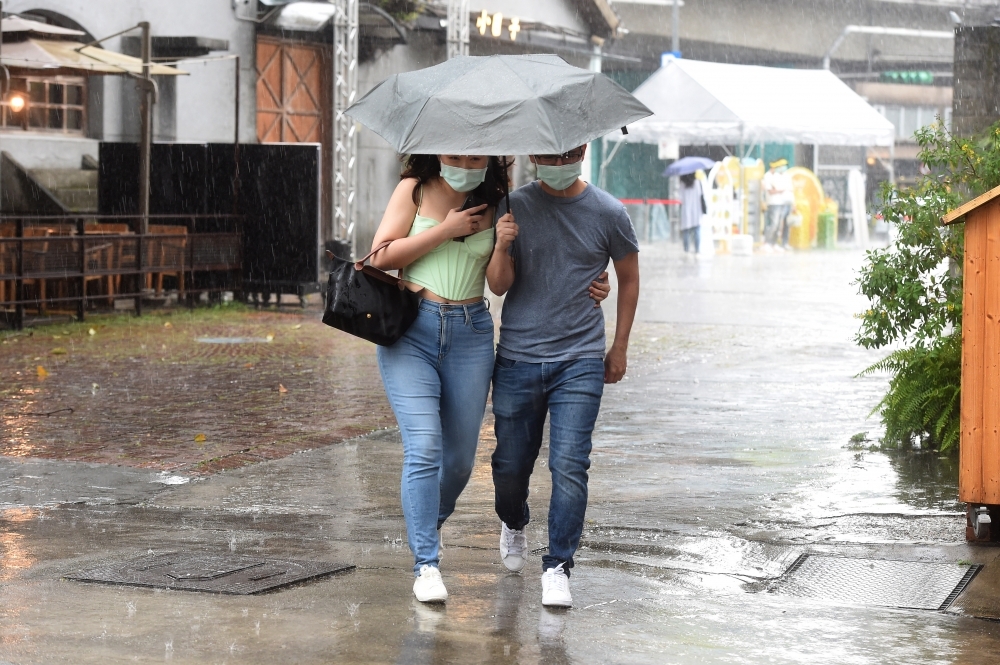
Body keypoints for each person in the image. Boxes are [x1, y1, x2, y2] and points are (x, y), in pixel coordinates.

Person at [368, 154, 611, 604]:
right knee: (423, 447)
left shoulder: (499, 202)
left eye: (475, 157)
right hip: (411, 331)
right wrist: (446, 229)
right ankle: (425, 563)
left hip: (471, 334)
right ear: (439, 153)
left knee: (460, 462)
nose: (465, 164)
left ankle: (429, 523)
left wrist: (596, 281)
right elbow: (380, 255)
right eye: (457, 156)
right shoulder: (415, 189)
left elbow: (510, 278)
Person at [486, 145, 641, 608]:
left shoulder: (609, 212)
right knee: (510, 468)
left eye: (567, 155)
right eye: (549, 156)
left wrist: (619, 346)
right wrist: (501, 243)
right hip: (517, 357)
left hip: (580, 359)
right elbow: (497, 285)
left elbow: (629, 277)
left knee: (570, 465)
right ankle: (514, 521)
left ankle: (557, 565)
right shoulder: (514, 206)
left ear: (583, 151)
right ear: (534, 155)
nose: (558, 164)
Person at [762, 159, 794, 248]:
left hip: (782, 203)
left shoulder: (781, 176)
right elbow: (771, 190)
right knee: (774, 224)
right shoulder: (768, 176)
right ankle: (767, 242)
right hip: (773, 203)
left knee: (779, 225)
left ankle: (774, 243)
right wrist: (780, 190)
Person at [678, 171, 705, 253]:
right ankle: (697, 250)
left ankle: (686, 250)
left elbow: (680, 198)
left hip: (686, 210)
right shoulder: (697, 182)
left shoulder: (682, 185)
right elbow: (701, 195)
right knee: (697, 230)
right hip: (696, 209)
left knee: (686, 231)